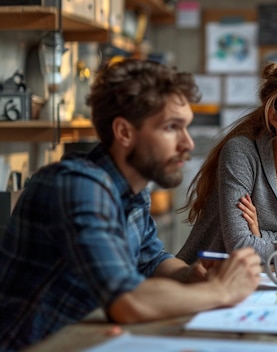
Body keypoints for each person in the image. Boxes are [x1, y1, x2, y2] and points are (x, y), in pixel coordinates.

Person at [0, 59, 261, 351]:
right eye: (171, 127)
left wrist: (190, 275)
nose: (188, 143)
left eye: (186, 127)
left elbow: (150, 260)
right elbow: (127, 302)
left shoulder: (132, 190)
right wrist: (221, 290)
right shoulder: (78, 187)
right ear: (124, 132)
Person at [177, 60, 277, 264]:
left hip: (269, 282)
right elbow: (240, 247)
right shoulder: (241, 153)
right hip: (207, 280)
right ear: (275, 117)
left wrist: (260, 237)